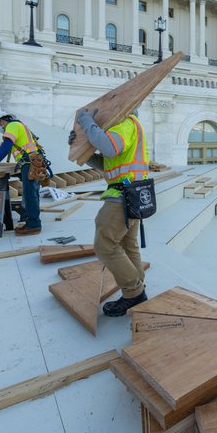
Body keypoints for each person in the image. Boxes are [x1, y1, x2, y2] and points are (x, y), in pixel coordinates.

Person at [72, 108, 151, 317]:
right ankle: (138, 285)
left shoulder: (125, 124)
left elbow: (108, 148)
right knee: (127, 244)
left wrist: (87, 122)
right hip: (131, 194)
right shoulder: (132, 127)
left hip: (122, 198)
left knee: (104, 245)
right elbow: (109, 164)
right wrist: (82, 148)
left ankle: (134, 292)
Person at [0, 113, 43, 236]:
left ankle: (34, 225)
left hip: (29, 162)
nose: (1, 128)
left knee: (29, 194)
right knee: (32, 193)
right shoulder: (18, 126)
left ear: (2, 121)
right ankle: (33, 222)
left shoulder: (12, 126)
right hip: (34, 161)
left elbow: (6, 147)